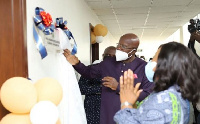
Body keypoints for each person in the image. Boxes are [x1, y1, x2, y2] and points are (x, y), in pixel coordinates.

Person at [63, 33, 154, 124]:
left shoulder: (144, 67)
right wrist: (76, 63)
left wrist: (118, 87)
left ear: (134, 51)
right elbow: (88, 73)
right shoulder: (108, 63)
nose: (118, 48)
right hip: (107, 117)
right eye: (118, 44)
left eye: (124, 46)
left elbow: (146, 94)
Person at [114, 41, 200, 124]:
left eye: (153, 59)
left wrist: (126, 104)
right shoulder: (178, 92)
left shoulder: (164, 99)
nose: (150, 63)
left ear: (163, 65)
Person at [78, 46, 116, 124]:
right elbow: (81, 88)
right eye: (108, 55)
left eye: (114, 56)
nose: (110, 58)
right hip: (92, 111)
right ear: (103, 55)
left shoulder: (120, 72)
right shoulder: (90, 69)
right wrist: (101, 89)